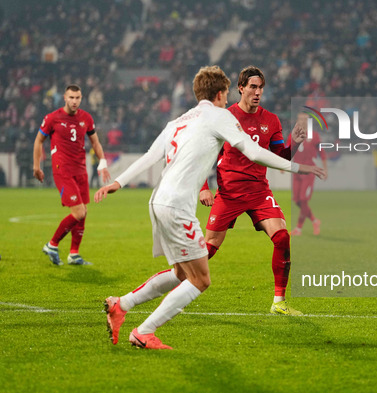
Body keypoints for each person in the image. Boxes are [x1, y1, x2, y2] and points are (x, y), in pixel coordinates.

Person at [96, 66, 325, 350]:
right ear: (222, 93)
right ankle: (144, 330)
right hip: (187, 203)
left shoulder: (180, 120)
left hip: (159, 201)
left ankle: (122, 304)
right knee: (200, 278)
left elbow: (150, 156)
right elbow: (252, 152)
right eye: (233, 90)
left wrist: (117, 183)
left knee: (183, 272)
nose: (255, 92)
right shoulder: (221, 116)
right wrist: (301, 167)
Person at [198, 66, 306, 315]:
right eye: (253, 87)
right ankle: (176, 289)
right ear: (241, 88)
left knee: (282, 238)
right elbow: (204, 155)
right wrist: (204, 187)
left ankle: (279, 303)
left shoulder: (271, 120)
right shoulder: (224, 117)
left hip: (259, 191)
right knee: (208, 248)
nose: (258, 92)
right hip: (229, 192)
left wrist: (295, 143)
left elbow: (280, 156)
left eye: (261, 88)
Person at [33, 84, 110, 266]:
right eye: (71, 98)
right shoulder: (53, 118)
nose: (74, 101)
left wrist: (103, 161)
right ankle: (52, 244)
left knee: (84, 212)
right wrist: (37, 165)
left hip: (81, 170)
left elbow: (95, 142)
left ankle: (74, 254)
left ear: (81, 99)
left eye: (77, 98)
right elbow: (38, 140)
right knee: (79, 211)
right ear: (65, 98)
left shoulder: (86, 118)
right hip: (63, 170)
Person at [289, 112, 327, 236]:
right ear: (297, 121)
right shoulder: (292, 135)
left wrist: (325, 169)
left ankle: (298, 228)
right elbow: (287, 150)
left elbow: (322, 152)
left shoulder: (314, 136)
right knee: (297, 201)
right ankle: (315, 221)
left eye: (305, 120)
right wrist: (282, 164)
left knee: (303, 200)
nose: (303, 122)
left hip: (309, 172)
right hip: (296, 172)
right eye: (301, 119)